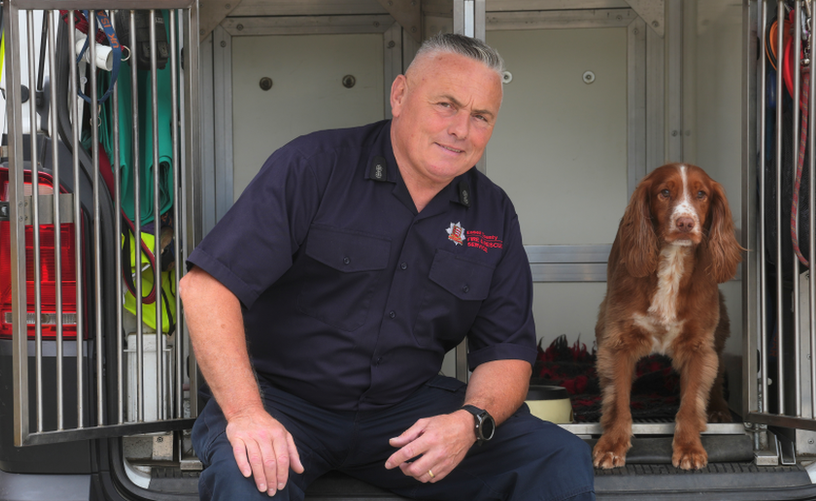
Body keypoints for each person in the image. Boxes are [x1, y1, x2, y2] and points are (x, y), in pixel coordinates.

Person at [179, 33, 596, 501]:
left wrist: (468, 422)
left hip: (404, 412)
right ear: (400, 95)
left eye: (481, 117)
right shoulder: (314, 166)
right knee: (245, 483)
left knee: (558, 459)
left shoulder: (492, 213)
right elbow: (205, 288)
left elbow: (505, 352)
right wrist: (246, 414)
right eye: (446, 105)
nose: (461, 129)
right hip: (282, 403)